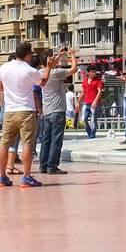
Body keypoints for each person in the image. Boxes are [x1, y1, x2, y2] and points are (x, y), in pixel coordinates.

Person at [0, 41, 51, 188]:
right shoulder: (30, 70)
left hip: (9, 111)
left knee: (4, 143)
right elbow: (42, 83)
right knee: (27, 144)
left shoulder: (3, 68)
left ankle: (2, 177)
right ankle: (27, 177)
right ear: (28, 55)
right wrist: (49, 67)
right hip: (26, 111)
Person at [37, 47, 77, 175]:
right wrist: (72, 55)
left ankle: (43, 166)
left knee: (46, 140)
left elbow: (51, 65)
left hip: (46, 111)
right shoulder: (56, 72)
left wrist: (59, 55)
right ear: (50, 60)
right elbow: (74, 69)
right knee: (56, 140)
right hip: (57, 111)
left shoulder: (40, 72)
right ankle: (52, 166)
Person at [80, 67, 104, 138]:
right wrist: (78, 102)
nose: (94, 73)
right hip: (86, 102)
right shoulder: (85, 81)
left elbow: (99, 92)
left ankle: (92, 135)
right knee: (84, 119)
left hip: (95, 103)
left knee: (93, 119)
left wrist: (95, 101)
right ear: (88, 72)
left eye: (95, 71)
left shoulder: (98, 81)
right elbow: (83, 92)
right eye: (92, 72)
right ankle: (89, 132)